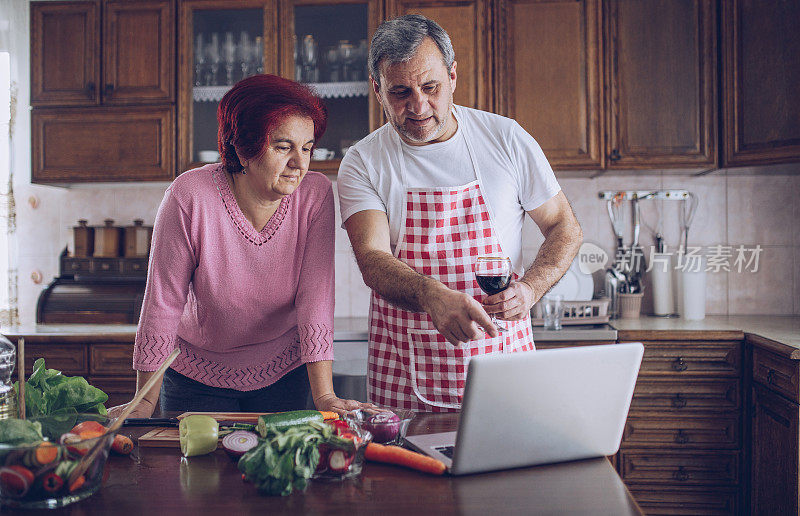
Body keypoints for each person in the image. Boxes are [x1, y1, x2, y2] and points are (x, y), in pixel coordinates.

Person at [337, 15, 583, 412]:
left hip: (502, 359)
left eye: (430, 87)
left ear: (453, 76)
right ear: (376, 89)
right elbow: (372, 258)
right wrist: (430, 294)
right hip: (405, 370)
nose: (418, 106)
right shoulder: (364, 162)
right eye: (400, 92)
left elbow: (564, 227)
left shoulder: (505, 139)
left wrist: (532, 288)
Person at [109, 74, 372, 419]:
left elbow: (316, 297)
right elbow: (163, 302)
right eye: (283, 147)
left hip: (284, 372)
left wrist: (324, 395)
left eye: (307, 148)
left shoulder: (316, 195)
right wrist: (144, 400)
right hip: (195, 377)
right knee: (196, 472)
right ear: (243, 147)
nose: (300, 163)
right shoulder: (189, 196)